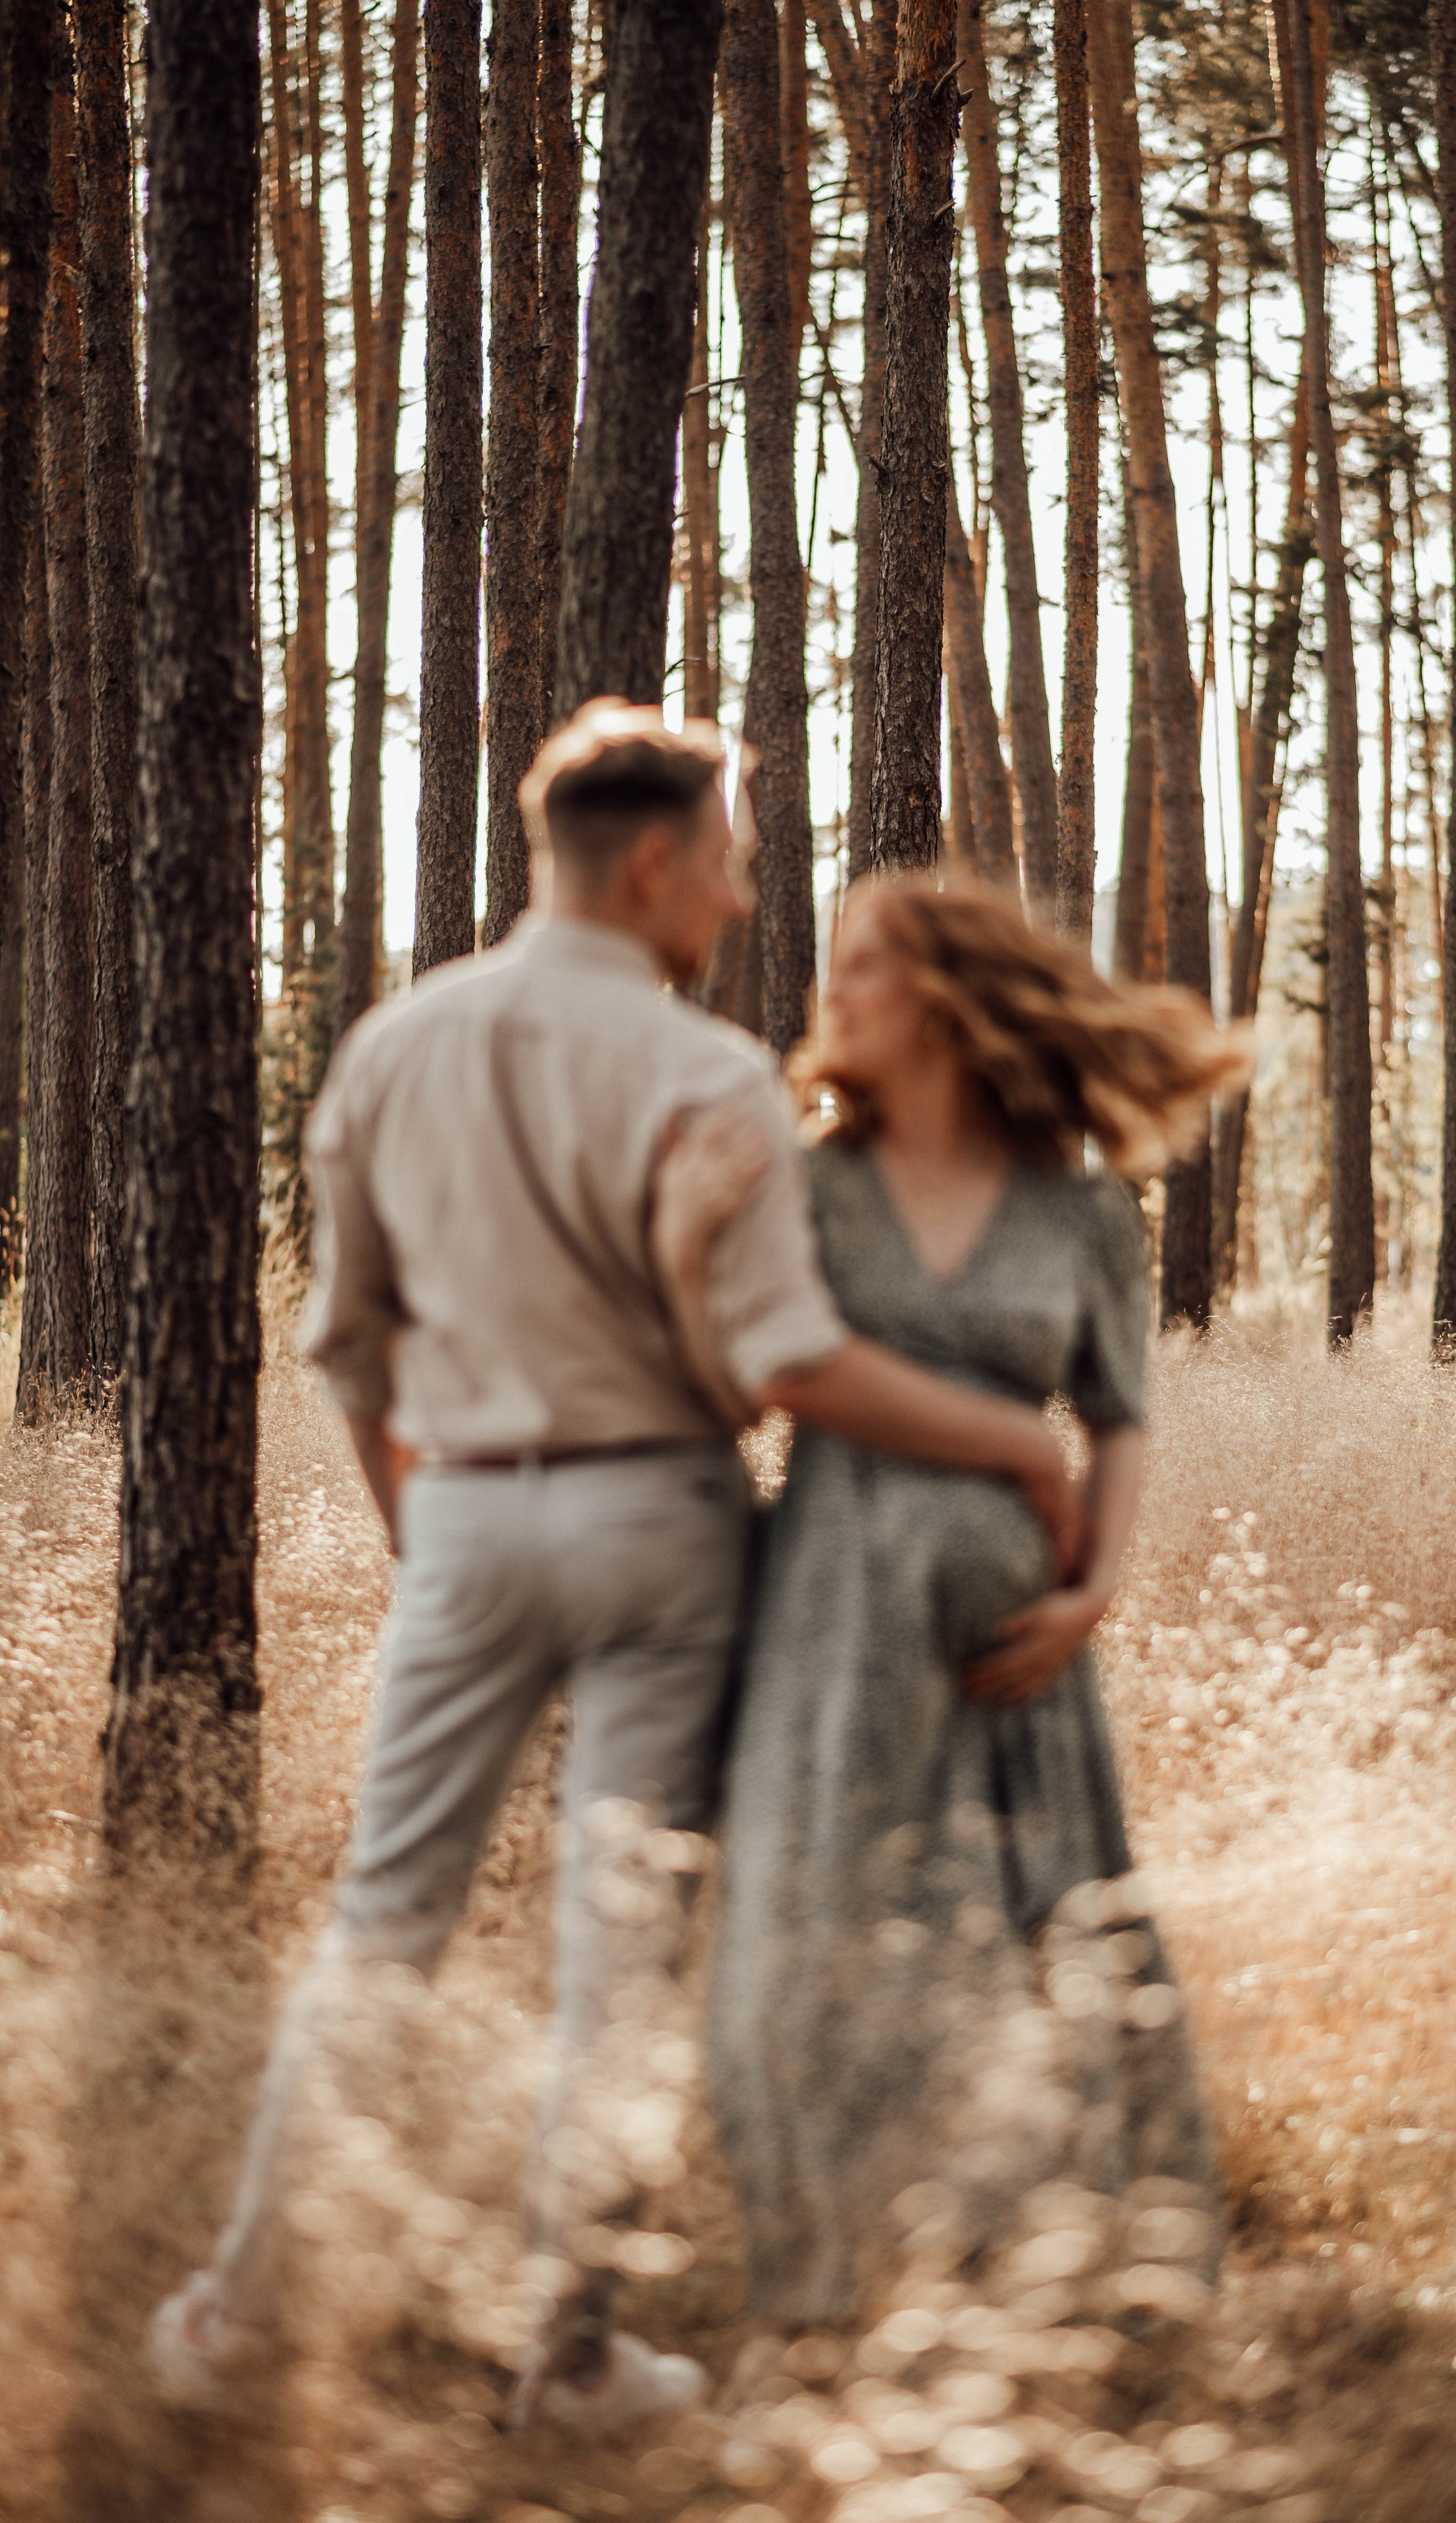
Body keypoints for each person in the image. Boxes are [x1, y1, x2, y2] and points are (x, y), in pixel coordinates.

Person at [146, 705, 1084, 2439]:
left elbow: (350, 1355)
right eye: (727, 859)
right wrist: (1020, 1442)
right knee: (621, 1945)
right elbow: (786, 1364)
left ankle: (231, 2312)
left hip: (467, 1519)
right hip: (664, 1528)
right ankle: (568, 2358)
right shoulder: (705, 1070)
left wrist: (441, 1540)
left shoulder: (391, 1049)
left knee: (380, 1925)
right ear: (650, 860)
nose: (736, 899)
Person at [652, 872, 1250, 2326]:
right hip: (834, 1614)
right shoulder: (802, 1186)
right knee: (800, 1930)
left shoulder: (1083, 1211)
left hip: (1019, 1647)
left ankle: (1080, 2275)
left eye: (861, 965)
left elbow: (1117, 1415)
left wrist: (1091, 1591)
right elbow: (733, 1389)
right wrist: (683, 1253)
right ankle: (820, 2276)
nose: (828, 993)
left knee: (1032, 1924)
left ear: (948, 997)